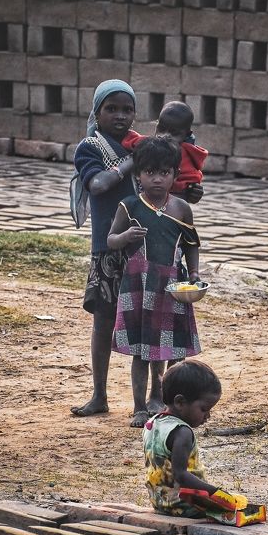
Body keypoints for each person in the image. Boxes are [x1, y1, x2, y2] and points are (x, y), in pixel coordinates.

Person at [109, 136, 202, 427]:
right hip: (139, 285)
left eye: (164, 172)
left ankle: (162, 400)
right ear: (138, 174)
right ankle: (139, 407)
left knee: (173, 351)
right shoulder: (129, 206)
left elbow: (191, 245)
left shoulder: (181, 209)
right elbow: (111, 239)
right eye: (150, 172)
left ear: (175, 174)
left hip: (172, 287)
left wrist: (194, 274)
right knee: (141, 351)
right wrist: (126, 237)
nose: (157, 179)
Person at [70, 79, 139, 419]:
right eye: (111, 109)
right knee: (103, 321)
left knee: (145, 321)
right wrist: (129, 163)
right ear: (96, 114)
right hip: (107, 248)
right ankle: (99, 394)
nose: (120, 116)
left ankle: (150, 397)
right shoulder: (90, 147)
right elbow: (98, 184)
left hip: (141, 245)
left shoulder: (139, 146)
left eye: (127, 109)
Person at [143, 360, 247, 517]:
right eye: (204, 409)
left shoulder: (153, 423)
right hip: (186, 506)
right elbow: (181, 475)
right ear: (180, 402)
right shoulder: (182, 432)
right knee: (236, 510)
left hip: (160, 503)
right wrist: (215, 492)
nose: (208, 416)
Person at [121, 101, 207, 204]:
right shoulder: (149, 144)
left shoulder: (185, 154)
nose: (165, 136)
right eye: (161, 129)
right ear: (157, 126)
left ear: (187, 134)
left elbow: (193, 178)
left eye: (174, 133)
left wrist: (193, 191)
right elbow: (130, 139)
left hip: (171, 200)